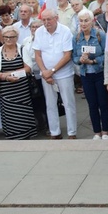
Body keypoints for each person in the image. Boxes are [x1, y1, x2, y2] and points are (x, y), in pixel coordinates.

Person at [33, 9, 77, 139]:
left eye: (49, 19)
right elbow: (38, 55)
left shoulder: (65, 31)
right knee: (50, 104)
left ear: (56, 18)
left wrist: (52, 71)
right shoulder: (39, 32)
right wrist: (45, 72)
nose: (46, 22)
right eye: (44, 20)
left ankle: (72, 132)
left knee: (68, 103)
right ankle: (55, 132)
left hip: (64, 73)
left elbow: (67, 55)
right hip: (46, 74)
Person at [0, 26, 37, 140]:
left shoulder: (22, 49)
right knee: (10, 113)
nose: (9, 39)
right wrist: (5, 77)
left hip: (22, 89)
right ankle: (13, 136)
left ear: (17, 37)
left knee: (23, 112)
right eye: (6, 37)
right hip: (6, 90)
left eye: (12, 37)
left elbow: (28, 68)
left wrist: (11, 73)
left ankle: (26, 135)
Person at [73, 9, 108, 140]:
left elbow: (107, 55)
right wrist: (80, 60)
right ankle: (97, 132)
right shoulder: (77, 37)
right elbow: (74, 57)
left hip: (99, 73)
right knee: (92, 104)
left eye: (86, 20)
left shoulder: (100, 35)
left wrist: (94, 60)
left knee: (103, 102)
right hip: (85, 75)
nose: (83, 24)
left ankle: (105, 131)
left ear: (92, 21)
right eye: (81, 21)